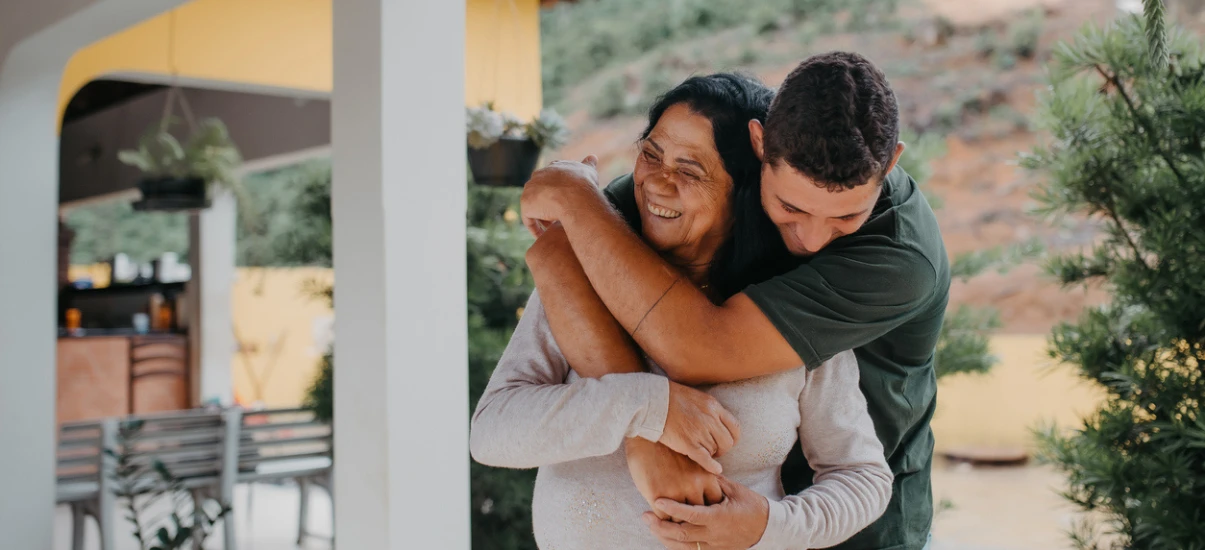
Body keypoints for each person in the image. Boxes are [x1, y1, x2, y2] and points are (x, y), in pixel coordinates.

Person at [520, 52, 950, 549]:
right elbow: (580, 243)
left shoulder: (901, 257)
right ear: (759, 145)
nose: (811, 240)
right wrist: (572, 208)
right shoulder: (723, 180)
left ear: (892, 161)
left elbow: (701, 346)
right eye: (789, 207)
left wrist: (574, 199)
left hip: (855, 530)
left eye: (846, 217)